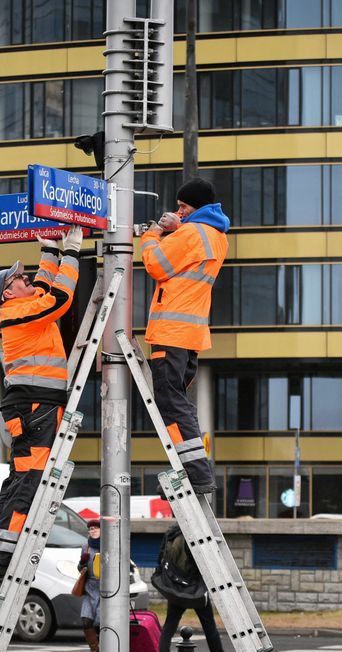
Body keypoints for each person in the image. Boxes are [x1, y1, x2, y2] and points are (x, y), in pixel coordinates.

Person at [0, 225, 83, 579]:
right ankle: (3, 557)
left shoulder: (23, 306)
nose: (26, 279)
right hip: (34, 407)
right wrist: (73, 251)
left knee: (18, 480)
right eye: (20, 278)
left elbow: (44, 285)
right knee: (29, 481)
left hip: (34, 406)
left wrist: (51, 251)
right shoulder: (18, 313)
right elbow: (60, 297)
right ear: (9, 292)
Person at [140, 177, 230, 495]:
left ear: (197, 207)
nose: (178, 211)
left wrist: (153, 234)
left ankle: (196, 473)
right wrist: (176, 230)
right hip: (190, 334)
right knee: (179, 403)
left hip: (171, 332)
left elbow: (155, 264)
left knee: (172, 402)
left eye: (183, 206)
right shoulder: (217, 236)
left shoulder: (192, 232)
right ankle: (196, 469)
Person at [154, 523, 239, 652]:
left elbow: (160, 557)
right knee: (209, 624)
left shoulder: (171, 533)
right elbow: (200, 563)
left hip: (175, 587)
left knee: (169, 627)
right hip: (194, 589)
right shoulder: (193, 535)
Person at [76, 517, 102, 652]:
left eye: (96, 528)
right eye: (91, 529)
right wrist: (82, 563)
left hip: (105, 588)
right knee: (86, 620)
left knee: (101, 624)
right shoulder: (85, 547)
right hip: (90, 587)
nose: (93, 531)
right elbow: (80, 569)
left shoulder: (108, 545)